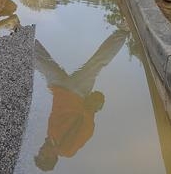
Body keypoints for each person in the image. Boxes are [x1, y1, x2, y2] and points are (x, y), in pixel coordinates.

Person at [32, 30, 127, 170]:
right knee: (97, 62)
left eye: (39, 152)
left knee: (40, 61)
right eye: (42, 154)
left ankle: (22, 33)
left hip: (58, 88)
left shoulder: (50, 137)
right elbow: (88, 130)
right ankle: (123, 32)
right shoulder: (66, 149)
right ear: (52, 157)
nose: (41, 150)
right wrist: (89, 109)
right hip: (77, 92)